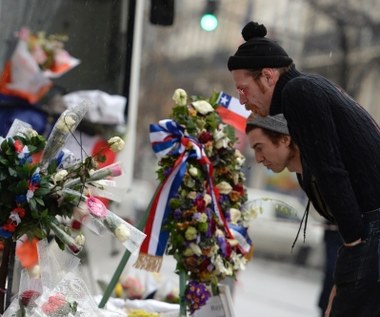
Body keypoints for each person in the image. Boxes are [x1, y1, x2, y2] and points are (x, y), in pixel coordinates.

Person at [229, 21, 380, 317]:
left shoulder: (299, 92)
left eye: (244, 90)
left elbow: (330, 170)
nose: (243, 101)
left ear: (268, 76)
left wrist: (352, 243)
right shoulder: (307, 88)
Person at [246, 114, 342, 317]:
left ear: (284, 140)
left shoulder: (327, 171)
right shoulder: (305, 175)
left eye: (260, 148)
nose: (258, 159)